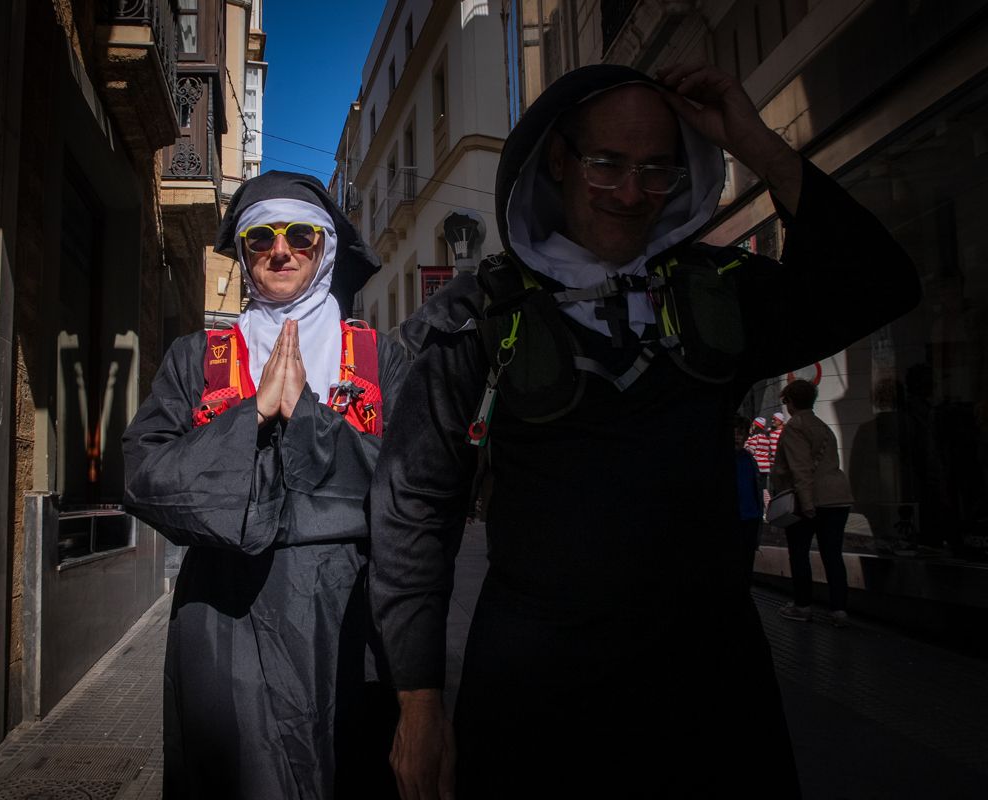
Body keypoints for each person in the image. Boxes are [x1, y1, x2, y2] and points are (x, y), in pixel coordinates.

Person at [369, 62, 919, 798]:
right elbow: (415, 505)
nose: (631, 195)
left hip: (713, 698)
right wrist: (419, 701)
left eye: (657, 170)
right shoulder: (480, 316)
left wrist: (757, 144)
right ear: (557, 159)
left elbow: (879, 285)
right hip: (537, 702)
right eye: (607, 164)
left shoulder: (718, 293)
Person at [122, 171, 406, 798]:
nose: (281, 251)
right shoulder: (197, 357)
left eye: (300, 236)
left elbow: (412, 485)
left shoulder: (379, 357)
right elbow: (145, 476)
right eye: (261, 238)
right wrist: (250, 416)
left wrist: (307, 416)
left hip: (350, 616)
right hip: (225, 621)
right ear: (245, 254)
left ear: (325, 247)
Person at [773, 379, 855, 627]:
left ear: (790, 401)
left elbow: (800, 468)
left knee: (799, 553)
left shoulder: (795, 427)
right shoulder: (822, 426)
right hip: (837, 497)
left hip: (809, 499)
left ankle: (802, 605)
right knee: (833, 555)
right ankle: (839, 609)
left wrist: (806, 503)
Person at [736, 414, 764, 582]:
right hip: (733, 520)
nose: (737, 437)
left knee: (746, 567)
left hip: (750, 519)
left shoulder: (749, 459)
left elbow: (756, 490)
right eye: (733, 432)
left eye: (741, 432)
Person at [746, 415, 772, 493]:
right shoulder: (766, 437)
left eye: (753, 424)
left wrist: (746, 442)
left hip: (757, 467)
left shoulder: (755, 437)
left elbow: (751, 451)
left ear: (756, 426)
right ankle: (765, 500)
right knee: (764, 488)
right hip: (765, 467)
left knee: (756, 488)